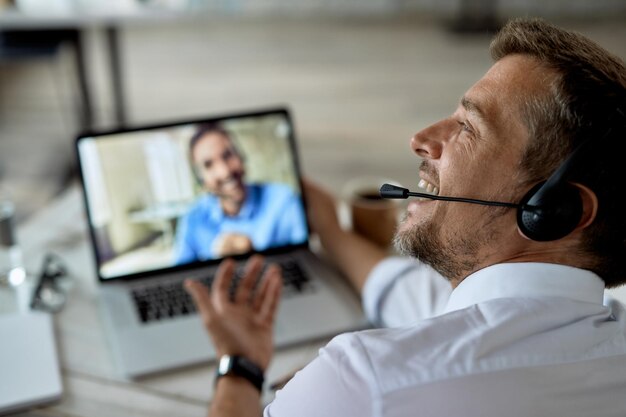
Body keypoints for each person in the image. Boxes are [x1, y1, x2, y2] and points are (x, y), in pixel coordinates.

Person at [184, 17, 626, 417]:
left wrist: (239, 367)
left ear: (555, 210)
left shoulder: (366, 381)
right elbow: (408, 293)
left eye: (468, 128)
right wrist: (332, 231)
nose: (421, 139)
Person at [174, 123, 307, 263]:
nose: (224, 172)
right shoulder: (192, 219)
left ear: (241, 156)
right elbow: (179, 276)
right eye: (208, 165)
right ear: (201, 180)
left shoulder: (284, 200)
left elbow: (304, 259)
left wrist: (254, 256)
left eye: (228, 155)